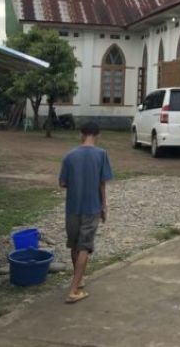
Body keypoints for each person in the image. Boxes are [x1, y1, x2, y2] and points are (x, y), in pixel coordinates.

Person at [59, 121, 113, 304]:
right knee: (84, 247)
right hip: (91, 208)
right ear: (98, 135)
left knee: (74, 245)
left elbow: (63, 183)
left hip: (72, 208)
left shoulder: (69, 155)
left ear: (81, 134)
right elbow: (102, 183)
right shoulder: (101, 154)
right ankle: (74, 290)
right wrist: (104, 206)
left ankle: (79, 278)